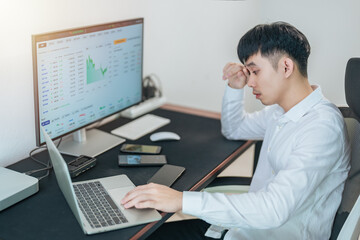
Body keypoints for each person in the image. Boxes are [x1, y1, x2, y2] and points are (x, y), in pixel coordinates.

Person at [121, 22, 350, 239]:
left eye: (255, 72)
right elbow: (234, 129)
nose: (251, 83)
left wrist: (181, 200)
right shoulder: (282, 111)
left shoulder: (321, 127)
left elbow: (273, 210)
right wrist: (234, 87)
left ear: (286, 67)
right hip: (241, 229)